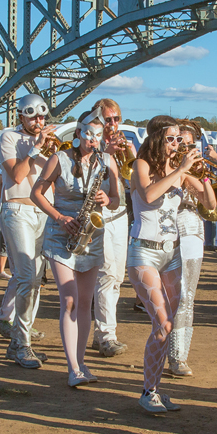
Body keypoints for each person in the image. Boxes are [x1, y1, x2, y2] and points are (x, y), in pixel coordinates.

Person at [31, 109, 124, 385]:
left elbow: (118, 200)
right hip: (62, 235)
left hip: (92, 235)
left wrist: (107, 198)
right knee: (69, 300)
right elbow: (35, 192)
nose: (93, 140)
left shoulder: (107, 161)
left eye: (98, 135)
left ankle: (81, 363)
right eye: (88, 134)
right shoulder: (58, 159)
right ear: (78, 133)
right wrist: (59, 217)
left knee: (86, 303)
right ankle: (73, 368)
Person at [128, 115, 207, 414]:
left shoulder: (177, 170)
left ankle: (155, 389)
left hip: (171, 253)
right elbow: (148, 196)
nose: (177, 144)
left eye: (180, 139)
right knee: (162, 324)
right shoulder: (141, 165)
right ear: (157, 139)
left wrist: (202, 175)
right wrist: (182, 171)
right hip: (143, 252)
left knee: (167, 325)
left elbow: (211, 204)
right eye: (172, 139)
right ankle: (148, 392)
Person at [0, 94, 56, 368]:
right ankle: (20, 343)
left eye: (42, 117)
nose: (39, 122)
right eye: (33, 117)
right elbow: (17, 176)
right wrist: (35, 148)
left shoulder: (48, 143)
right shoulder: (9, 138)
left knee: (36, 281)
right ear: (21, 116)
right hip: (17, 210)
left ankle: (20, 343)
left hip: (43, 213)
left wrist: (56, 153)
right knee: (26, 278)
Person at [166, 119, 217, 378]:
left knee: (187, 298)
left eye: (189, 144)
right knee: (169, 298)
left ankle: (179, 356)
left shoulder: (193, 172)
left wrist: (204, 174)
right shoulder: (164, 167)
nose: (184, 148)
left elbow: (210, 204)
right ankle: (167, 350)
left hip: (192, 231)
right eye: (178, 142)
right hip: (164, 232)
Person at [93, 98, 135, 358]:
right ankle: (107, 335)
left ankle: (103, 333)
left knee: (117, 277)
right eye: (108, 119)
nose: (113, 124)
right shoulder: (91, 141)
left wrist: (131, 153)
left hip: (120, 212)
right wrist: (106, 151)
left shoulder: (120, 145)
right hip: (100, 214)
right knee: (107, 274)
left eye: (116, 119)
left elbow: (136, 177)